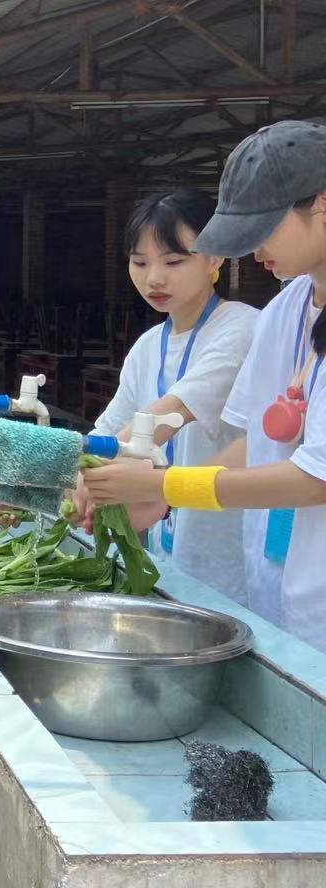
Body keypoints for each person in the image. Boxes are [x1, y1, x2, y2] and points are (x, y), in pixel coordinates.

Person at [84, 121, 326, 646]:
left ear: (321, 205)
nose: (253, 249)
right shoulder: (286, 311)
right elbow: (253, 446)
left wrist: (163, 485)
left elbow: (315, 478)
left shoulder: (242, 323)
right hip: (278, 585)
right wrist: (167, 500)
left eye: (263, 226)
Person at [74, 190, 256, 604]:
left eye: (174, 261)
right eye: (140, 262)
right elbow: (105, 434)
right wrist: (71, 482)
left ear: (215, 258)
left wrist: (101, 471)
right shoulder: (147, 345)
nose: (154, 277)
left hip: (230, 547)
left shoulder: (242, 327)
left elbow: (165, 416)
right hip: (169, 549)